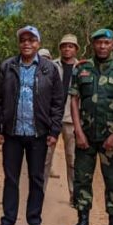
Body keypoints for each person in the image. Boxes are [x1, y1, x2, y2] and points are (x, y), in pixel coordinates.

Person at [0, 26, 64, 225]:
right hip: (12, 133)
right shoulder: (7, 66)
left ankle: (34, 221)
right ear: (19, 43)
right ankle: (8, 221)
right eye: (23, 40)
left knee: (36, 178)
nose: (27, 43)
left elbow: (57, 103)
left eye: (31, 40)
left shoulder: (49, 69)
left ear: (38, 44)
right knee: (11, 179)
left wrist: (54, 130)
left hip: (38, 133)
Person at [67, 29, 113, 225]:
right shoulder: (82, 69)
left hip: (111, 139)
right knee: (82, 179)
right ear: (92, 45)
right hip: (85, 136)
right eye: (98, 43)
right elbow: (74, 100)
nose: (102, 46)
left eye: (106, 42)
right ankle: (82, 223)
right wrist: (77, 130)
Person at [44, 34, 79, 202]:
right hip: (52, 118)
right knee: (45, 159)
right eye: (64, 46)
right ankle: (39, 194)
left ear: (76, 49)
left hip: (72, 120)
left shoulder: (82, 68)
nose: (67, 49)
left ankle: (74, 196)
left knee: (72, 159)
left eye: (71, 46)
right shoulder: (51, 66)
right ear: (60, 48)